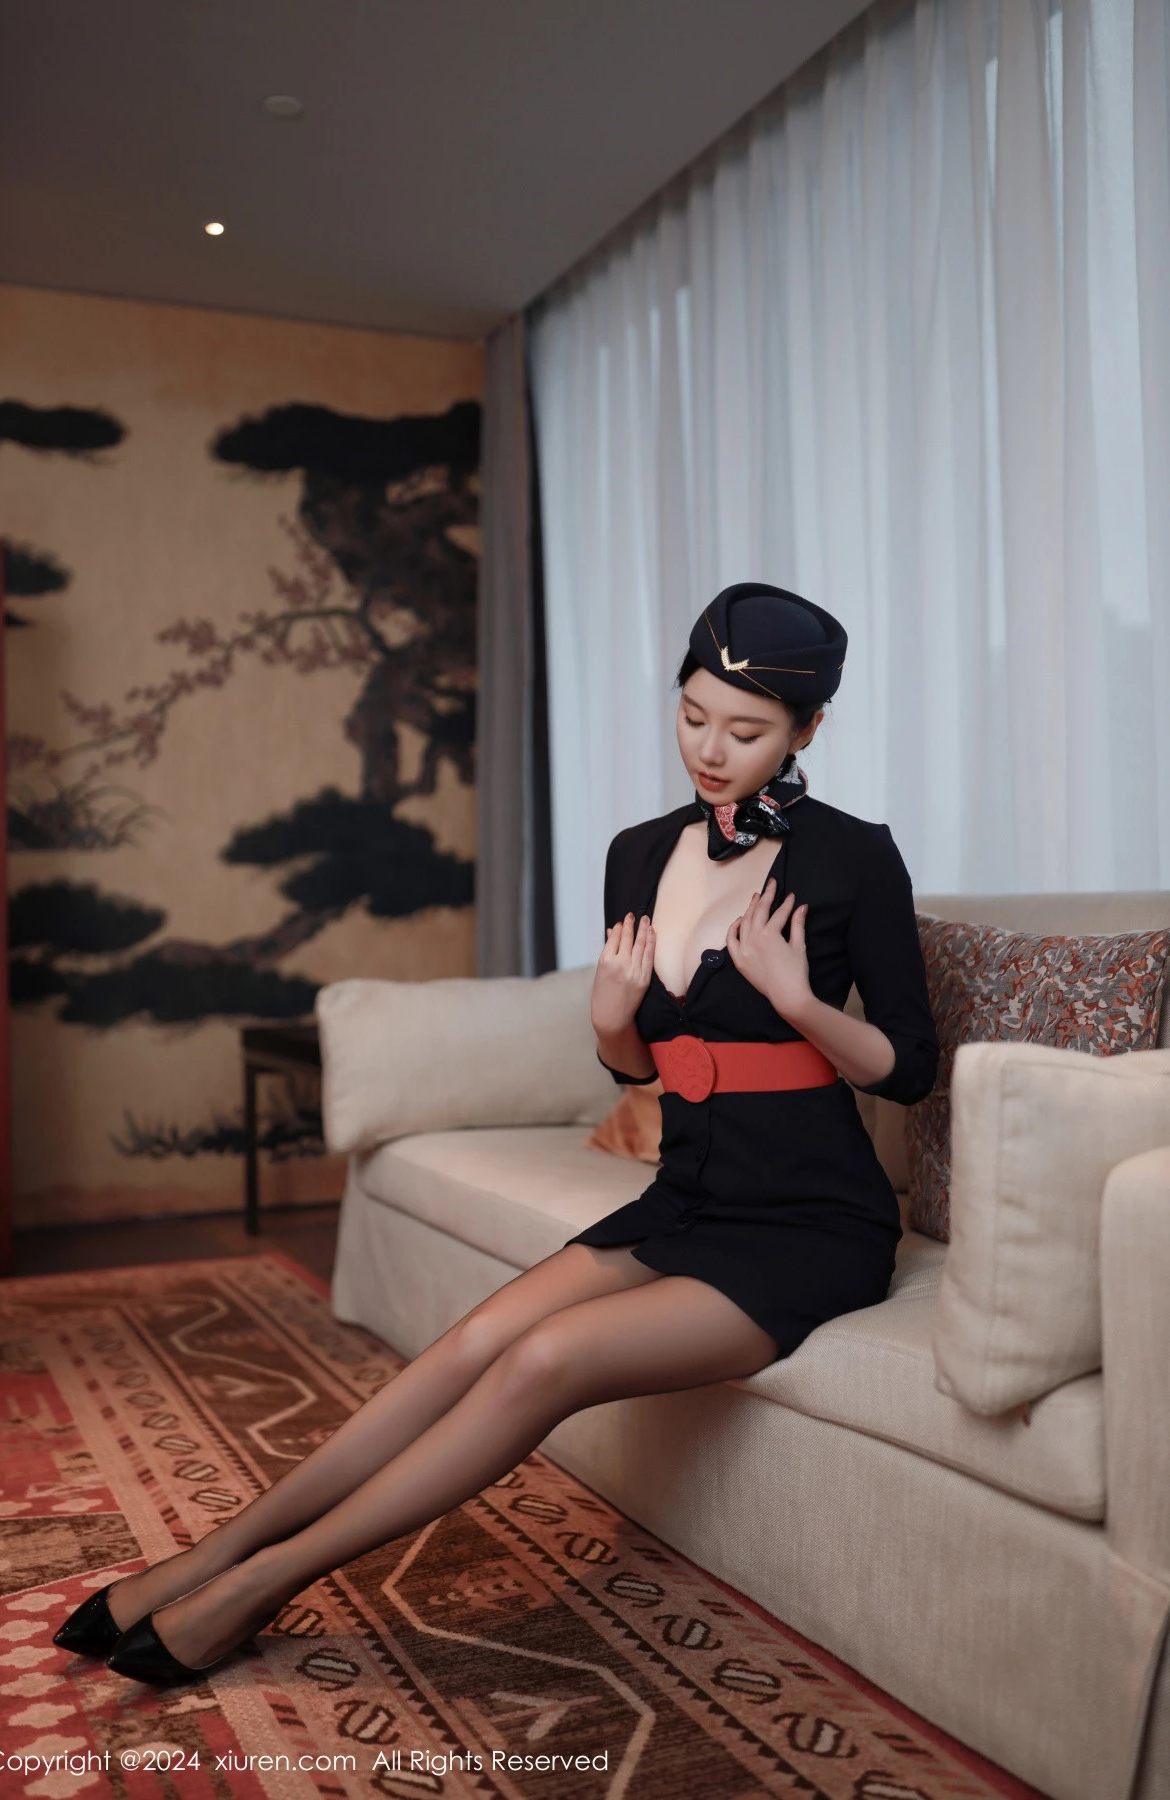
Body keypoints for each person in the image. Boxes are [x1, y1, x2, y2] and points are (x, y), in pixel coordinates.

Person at [53, 580, 938, 1686]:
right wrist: (611, 1023)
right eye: (692, 716)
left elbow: (912, 1068)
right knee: (470, 1344)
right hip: (686, 1200)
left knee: (544, 1359)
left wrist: (801, 1003)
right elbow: (642, 1066)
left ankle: (259, 1585)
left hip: (809, 1227)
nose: (710, 750)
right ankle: (206, 1556)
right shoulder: (636, 853)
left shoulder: (854, 858)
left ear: (808, 730)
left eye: (746, 731)